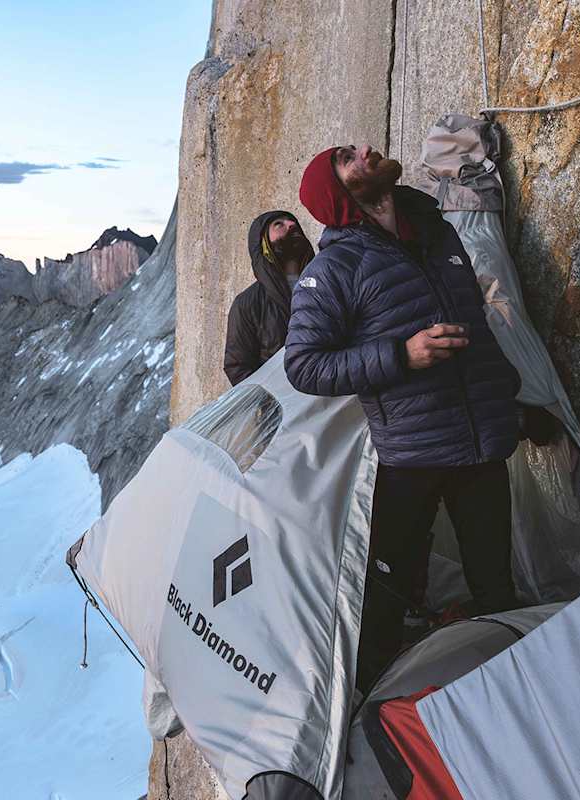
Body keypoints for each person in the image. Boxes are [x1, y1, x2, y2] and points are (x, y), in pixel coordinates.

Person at [284, 144, 523, 693]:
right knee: (387, 596)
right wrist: (401, 355)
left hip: (484, 444)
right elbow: (304, 365)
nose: (367, 150)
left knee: (496, 585)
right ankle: (368, 700)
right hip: (413, 455)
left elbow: (477, 328)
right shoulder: (334, 269)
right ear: (340, 194)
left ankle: (509, 691)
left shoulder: (435, 233)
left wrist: (512, 402)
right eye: (349, 158)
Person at [224, 211, 315, 385]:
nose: (291, 225)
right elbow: (238, 367)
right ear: (264, 244)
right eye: (279, 225)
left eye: (292, 222)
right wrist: (276, 398)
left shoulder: (325, 282)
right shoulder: (248, 304)